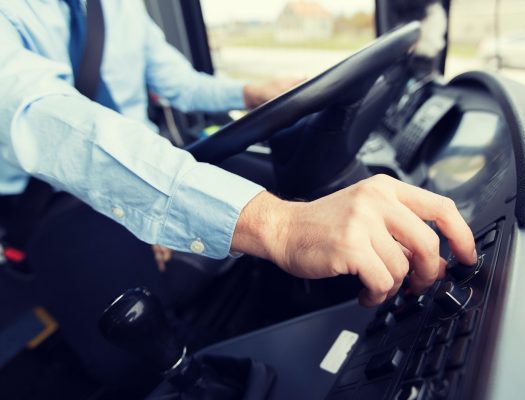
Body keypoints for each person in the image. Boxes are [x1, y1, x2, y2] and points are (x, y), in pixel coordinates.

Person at [0, 0, 477, 386]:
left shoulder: (121, 7)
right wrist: (279, 225)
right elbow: (45, 118)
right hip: (50, 194)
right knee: (127, 367)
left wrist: (251, 91)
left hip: (145, 155)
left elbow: (179, 84)